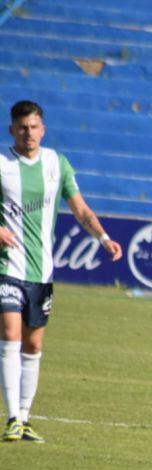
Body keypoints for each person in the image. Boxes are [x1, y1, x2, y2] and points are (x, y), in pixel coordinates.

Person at [0, 100, 123, 443]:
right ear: (12, 130)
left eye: (34, 127)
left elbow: (80, 208)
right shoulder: (1, 163)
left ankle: (24, 418)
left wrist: (104, 238)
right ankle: (11, 417)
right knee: (9, 333)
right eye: (22, 127)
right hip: (7, 265)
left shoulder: (57, 163)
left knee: (33, 343)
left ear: (43, 129)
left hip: (42, 271)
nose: (29, 133)